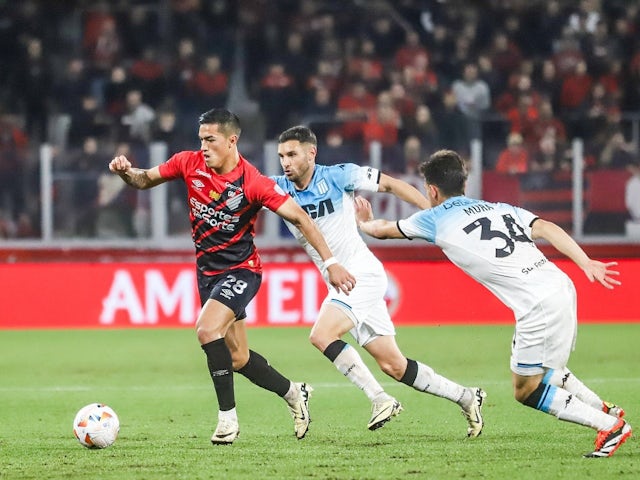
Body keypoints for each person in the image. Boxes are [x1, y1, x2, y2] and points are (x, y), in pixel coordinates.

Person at [355, 148, 631, 458]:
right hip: (560, 286)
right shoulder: (499, 207)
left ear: (432, 190)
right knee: (548, 370)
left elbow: (383, 230)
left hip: (535, 305)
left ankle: (608, 425)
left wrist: (365, 223)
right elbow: (546, 228)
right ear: (464, 183)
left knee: (526, 390)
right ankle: (606, 409)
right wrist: (585, 262)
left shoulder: (434, 218)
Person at [108, 109, 356, 444]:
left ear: (231, 141)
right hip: (207, 272)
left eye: (210, 140)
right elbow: (144, 179)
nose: (204, 147)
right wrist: (126, 172)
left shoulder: (252, 182)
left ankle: (227, 420)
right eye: (201, 140)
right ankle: (294, 393)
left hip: (241, 270)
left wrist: (331, 264)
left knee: (206, 329)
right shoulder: (187, 162)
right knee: (238, 357)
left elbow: (301, 218)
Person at [273, 126, 486, 436]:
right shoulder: (277, 188)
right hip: (342, 284)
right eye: (281, 156)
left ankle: (379, 398)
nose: (285, 162)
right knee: (394, 366)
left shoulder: (339, 175)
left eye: (292, 154)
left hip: (361, 273)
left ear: (311, 153)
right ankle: (466, 397)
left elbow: (391, 184)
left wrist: (435, 214)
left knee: (322, 335)